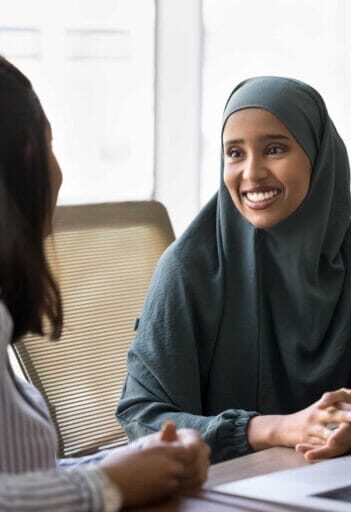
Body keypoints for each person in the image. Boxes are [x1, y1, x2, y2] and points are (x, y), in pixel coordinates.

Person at [117, 76, 351, 464]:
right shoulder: (188, 268)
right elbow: (143, 418)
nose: (251, 173)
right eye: (234, 153)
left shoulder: (348, 252)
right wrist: (278, 429)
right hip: (225, 484)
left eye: (274, 149)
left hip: (328, 472)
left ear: (317, 156)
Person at [0, 55, 210, 511]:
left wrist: (140, 463)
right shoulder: (192, 264)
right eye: (50, 145)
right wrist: (109, 484)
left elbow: (21, 477)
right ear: (26, 159)